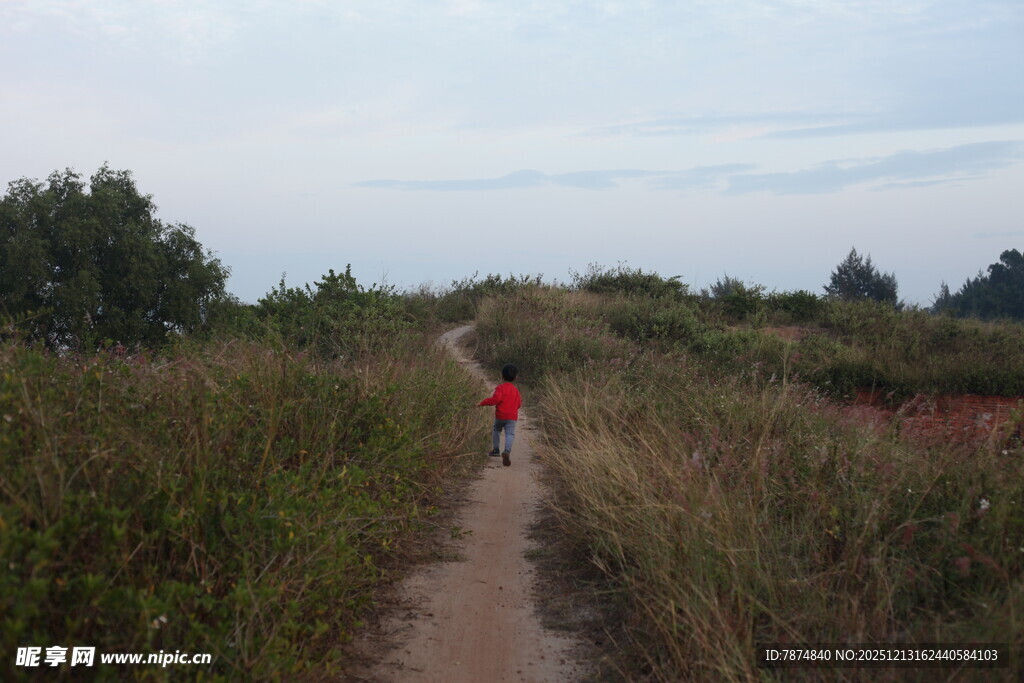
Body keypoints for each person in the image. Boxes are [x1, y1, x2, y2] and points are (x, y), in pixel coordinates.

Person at [478, 364, 522, 467]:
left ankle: (496, 449)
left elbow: (495, 400)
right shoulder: (516, 390)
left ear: (501, 376)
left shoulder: (500, 388)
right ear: (516, 377)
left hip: (500, 416)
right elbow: (519, 404)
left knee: (496, 430)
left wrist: (482, 403)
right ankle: (507, 451)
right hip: (512, 417)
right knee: (510, 434)